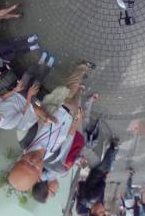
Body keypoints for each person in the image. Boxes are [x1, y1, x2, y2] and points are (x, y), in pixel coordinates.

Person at [7, 61, 94, 192]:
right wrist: (78, 120)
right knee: (77, 96)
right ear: (39, 175)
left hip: (58, 102)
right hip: (71, 115)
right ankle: (80, 83)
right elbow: (68, 138)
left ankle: (82, 67)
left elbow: (32, 108)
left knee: (71, 85)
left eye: (25, 163)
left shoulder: (24, 135)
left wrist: (45, 115)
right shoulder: (53, 158)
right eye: (34, 168)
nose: (33, 161)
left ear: (18, 160)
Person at [0, 53, 57, 137]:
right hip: (26, 102)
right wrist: (29, 95)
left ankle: (40, 62)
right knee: (37, 82)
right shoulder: (8, 125)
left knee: (27, 74)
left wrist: (15, 90)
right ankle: (48, 66)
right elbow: (23, 112)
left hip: (17, 93)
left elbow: (2, 97)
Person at [75, 136, 121, 216]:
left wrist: (104, 178)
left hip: (98, 173)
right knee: (93, 155)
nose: (103, 209)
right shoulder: (87, 201)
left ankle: (113, 146)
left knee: (107, 165)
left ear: (92, 211)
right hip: (92, 174)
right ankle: (112, 147)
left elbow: (102, 186)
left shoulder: (94, 198)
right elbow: (81, 184)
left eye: (100, 212)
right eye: (103, 212)